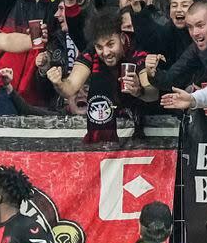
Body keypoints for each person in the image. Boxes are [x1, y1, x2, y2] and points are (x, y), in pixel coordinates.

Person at [44, 8, 157, 142]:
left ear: (121, 38)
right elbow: (70, 88)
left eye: (110, 44)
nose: (106, 52)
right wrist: (58, 83)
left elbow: (153, 94)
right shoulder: (91, 52)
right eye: (99, 47)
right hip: (101, 131)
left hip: (140, 134)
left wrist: (138, 90)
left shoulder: (137, 50)